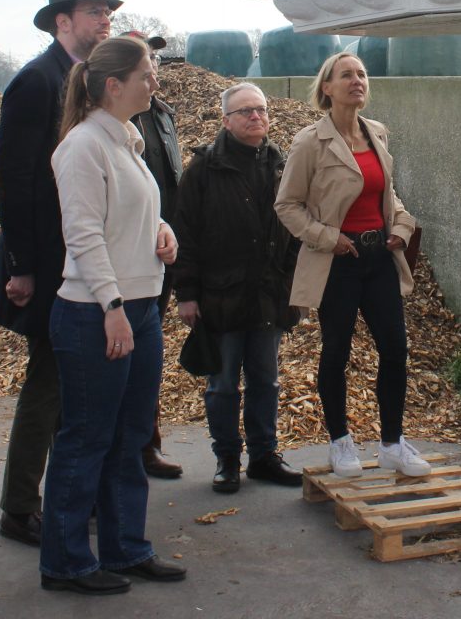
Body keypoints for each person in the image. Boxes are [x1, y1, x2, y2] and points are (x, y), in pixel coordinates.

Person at [42, 36, 185, 594]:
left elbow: (131, 215)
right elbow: (82, 236)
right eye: (147, 73)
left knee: (128, 438)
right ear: (113, 85)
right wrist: (113, 306)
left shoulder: (127, 140)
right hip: (96, 313)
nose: (155, 82)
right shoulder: (83, 146)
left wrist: (162, 231)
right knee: (87, 439)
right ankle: (66, 562)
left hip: (140, 307)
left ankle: (126, 548)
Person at [0, 0, 120, 547]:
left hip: (82, 259)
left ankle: (68, 493)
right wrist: (20, 265)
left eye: (106, 12)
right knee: (48, 385)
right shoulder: (36, 82)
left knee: (71, 385)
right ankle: (19, 509)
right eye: (94, 11)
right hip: (44, 264)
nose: (104, 20)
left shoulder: (87, 85)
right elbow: (13, 180)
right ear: (62, 20)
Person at [274, 52, 429, 479]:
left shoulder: (377, 133)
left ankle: (393, 444)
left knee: (395, 349)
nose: (357, 80)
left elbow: (388, 196)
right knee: (336, 352)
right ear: (327, 87)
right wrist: (329, 239)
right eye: (347, 75)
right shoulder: (310, 141)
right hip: (337, 263)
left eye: (361, 74)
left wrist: (400, 224)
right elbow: (287, 205)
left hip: (379, 258)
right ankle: (340, 442)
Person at [172, 83, 301, 494]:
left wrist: (293, 280)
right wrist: (187, 294)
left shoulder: (284, 166)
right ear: (226, 120)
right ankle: (227, 457)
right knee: (223, 384)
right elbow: (185, 236)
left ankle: (264, 456)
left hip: (268, 293)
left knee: (266, 379)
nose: (255, 117)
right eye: (245, 111)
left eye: (260, 109)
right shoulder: (203, 172)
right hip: (220, 296)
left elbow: (299, 227)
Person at [126, 31, 185, 479]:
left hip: (160, 257)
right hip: (122, 263)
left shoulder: (163, 116)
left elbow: (170, 189)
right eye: (144, 63)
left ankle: (146, 446)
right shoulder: (98, 129)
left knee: (147, 363)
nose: (154, 72)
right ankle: (118, 458)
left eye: (155, 62)